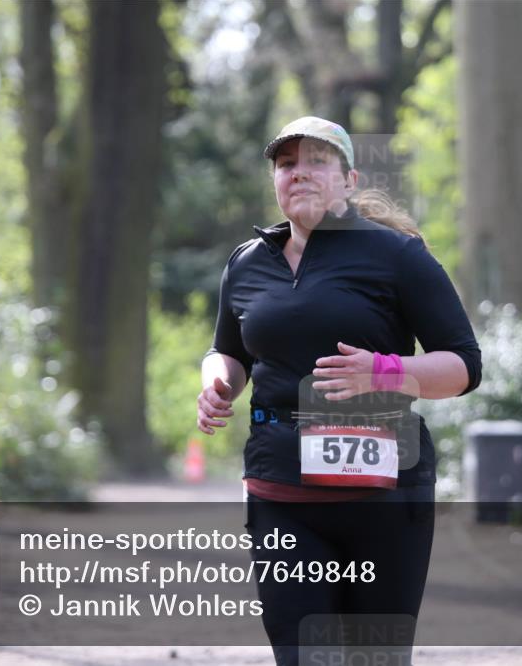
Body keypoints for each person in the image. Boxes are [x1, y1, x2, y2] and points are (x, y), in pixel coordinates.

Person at [197, 116, 482, 665]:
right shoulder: (247, 262)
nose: (299, 173)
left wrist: (384, 372)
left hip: (383, 496)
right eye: (286, 165)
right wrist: (218, 384)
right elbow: (227, 351)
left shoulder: (397, 256)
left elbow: (464, 366)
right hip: (282, 495)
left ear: (349, 180)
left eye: (317, 162)